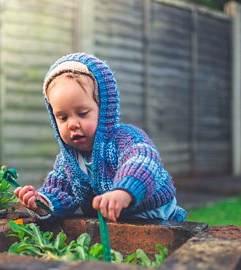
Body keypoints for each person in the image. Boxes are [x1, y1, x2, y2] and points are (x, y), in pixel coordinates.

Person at [14, 53, 186, 222]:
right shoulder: (68, 161)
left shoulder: (125, 139)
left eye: (82, 113)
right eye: (63, 117)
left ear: (104, 109)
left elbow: (143, 162)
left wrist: (123, 192)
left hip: (156, 215)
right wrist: (41, 203)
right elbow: (60, 192)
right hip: (115, 224)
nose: (72, 124)